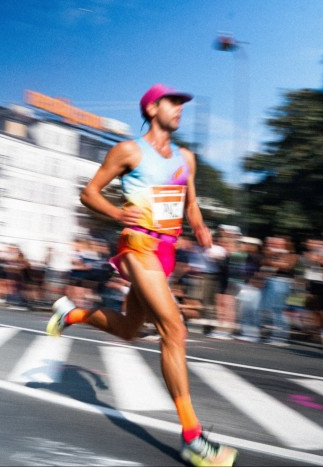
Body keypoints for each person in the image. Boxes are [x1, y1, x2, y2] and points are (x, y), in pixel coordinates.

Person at [45, 83, 238, 466]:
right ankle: (193, 438)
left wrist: (199, 227)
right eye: (173, 102)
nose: (180, 108)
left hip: (165, 253)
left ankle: (71, 313)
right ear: (152, 109)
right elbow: (90, 192)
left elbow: (191, 202)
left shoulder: (186, 158)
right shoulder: (129, 151)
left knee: (129, 330)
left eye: (183, 103)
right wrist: (118, 214)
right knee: (174, 328)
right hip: (138, 245)